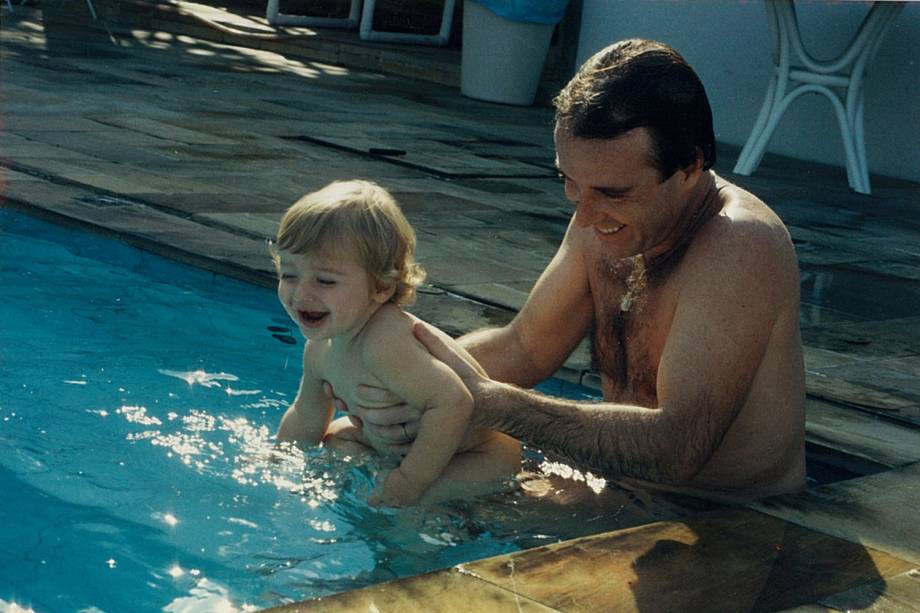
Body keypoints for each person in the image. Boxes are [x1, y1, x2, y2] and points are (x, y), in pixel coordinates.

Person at [332, 39, 806, 504]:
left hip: (732, 520)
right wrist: (395, 378)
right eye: (569, 182)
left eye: (613, 192)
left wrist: (489, 403)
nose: (583, 216)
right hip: (622, 484)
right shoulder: (601, 218)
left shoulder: (739, 244)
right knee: (353, 456)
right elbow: (525, 347)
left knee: (422, 505)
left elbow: (677, 448)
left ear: (691, 166)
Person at [273, 180, 520, 507]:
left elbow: (453, 403)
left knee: (403, 505)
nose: (301, 293)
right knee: (336, 441)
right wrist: (278, 460)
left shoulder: (385, 341)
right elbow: (306, 417)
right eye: (289, 274)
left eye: (325, 280)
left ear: (381, 287)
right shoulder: (320, 349)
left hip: (478, 456)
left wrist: (409, 481)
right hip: (398, 445)